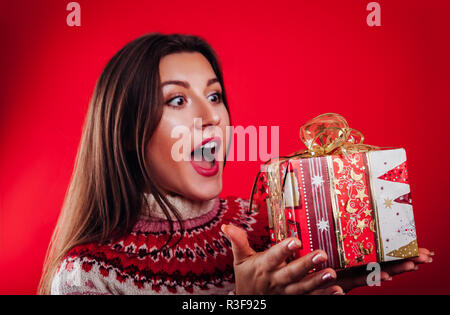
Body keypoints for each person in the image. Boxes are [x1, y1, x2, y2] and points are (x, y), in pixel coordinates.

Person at [38, 33, 434, 295]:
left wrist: (326, 281)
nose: (212, 117)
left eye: (214, 96)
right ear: (125, 133)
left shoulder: (265, 224)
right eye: (177, 100)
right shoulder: (86, 275)